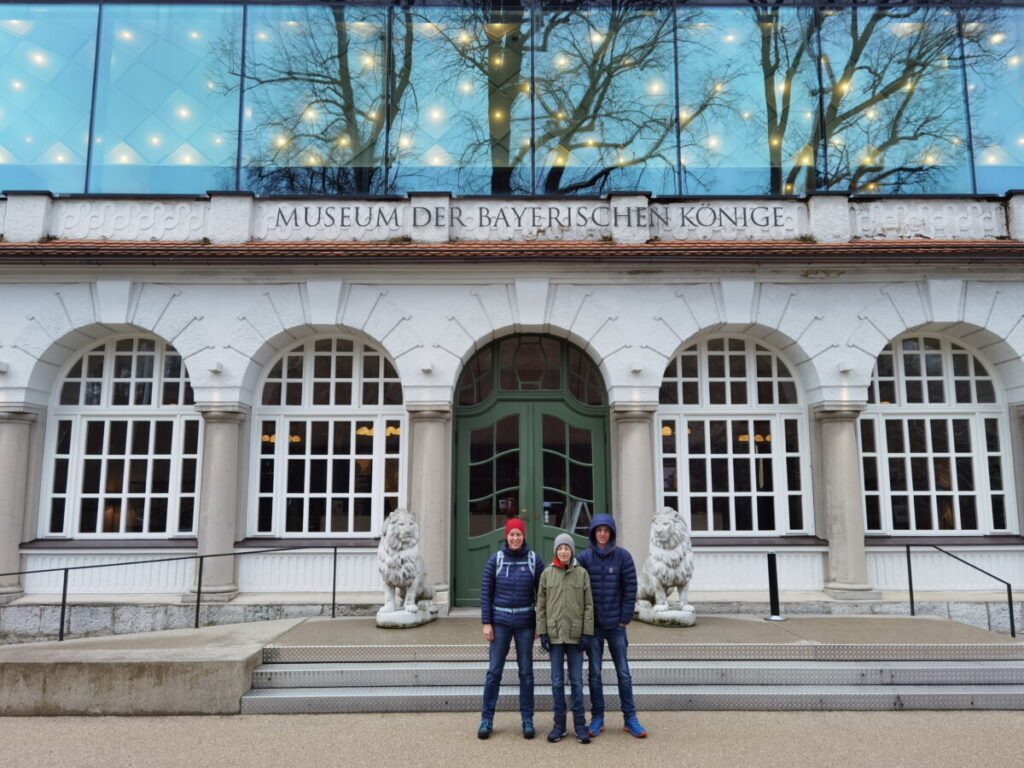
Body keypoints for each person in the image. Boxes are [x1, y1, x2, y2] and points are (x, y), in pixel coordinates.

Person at [577, 513, 647, 738]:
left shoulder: (623, 557)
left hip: (616, 626)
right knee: (595, 673)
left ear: (612, 533)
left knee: (623, 673)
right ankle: (598, 717)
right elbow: (577, 590)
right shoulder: (584, 558)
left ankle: (630, 718)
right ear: (593, 533)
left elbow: (630, 588)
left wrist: (624, 618)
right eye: (599, 530)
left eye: (606, 530)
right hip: (594, 627)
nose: (603, 534)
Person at [478, 517, 544, 740]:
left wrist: (539, 625)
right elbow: (486, 593)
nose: (515, 538)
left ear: (524, 536)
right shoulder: (495, 560)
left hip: (525, 624)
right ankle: (486, 719)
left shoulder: (534, 560)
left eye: (519, 534)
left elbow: (543, 596)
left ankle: (527, 719)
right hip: (500, 624)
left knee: (526, 673)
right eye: (511, 534)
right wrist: (487, 623)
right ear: (506, 537)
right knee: (494, 672)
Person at [536, 532, 594, 744]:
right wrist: (542, 632)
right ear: (556, 551)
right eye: (560, 548)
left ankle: (580, 725)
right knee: (557, 682)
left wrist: (587, 633)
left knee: (577, 682)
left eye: (566, 548)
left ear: (571, 551)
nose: (563, 551)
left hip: (575, 636)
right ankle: (559, 725)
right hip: (554, 636)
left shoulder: (582, 574)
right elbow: (540, 606)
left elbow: (588, 606)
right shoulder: (546, 574)